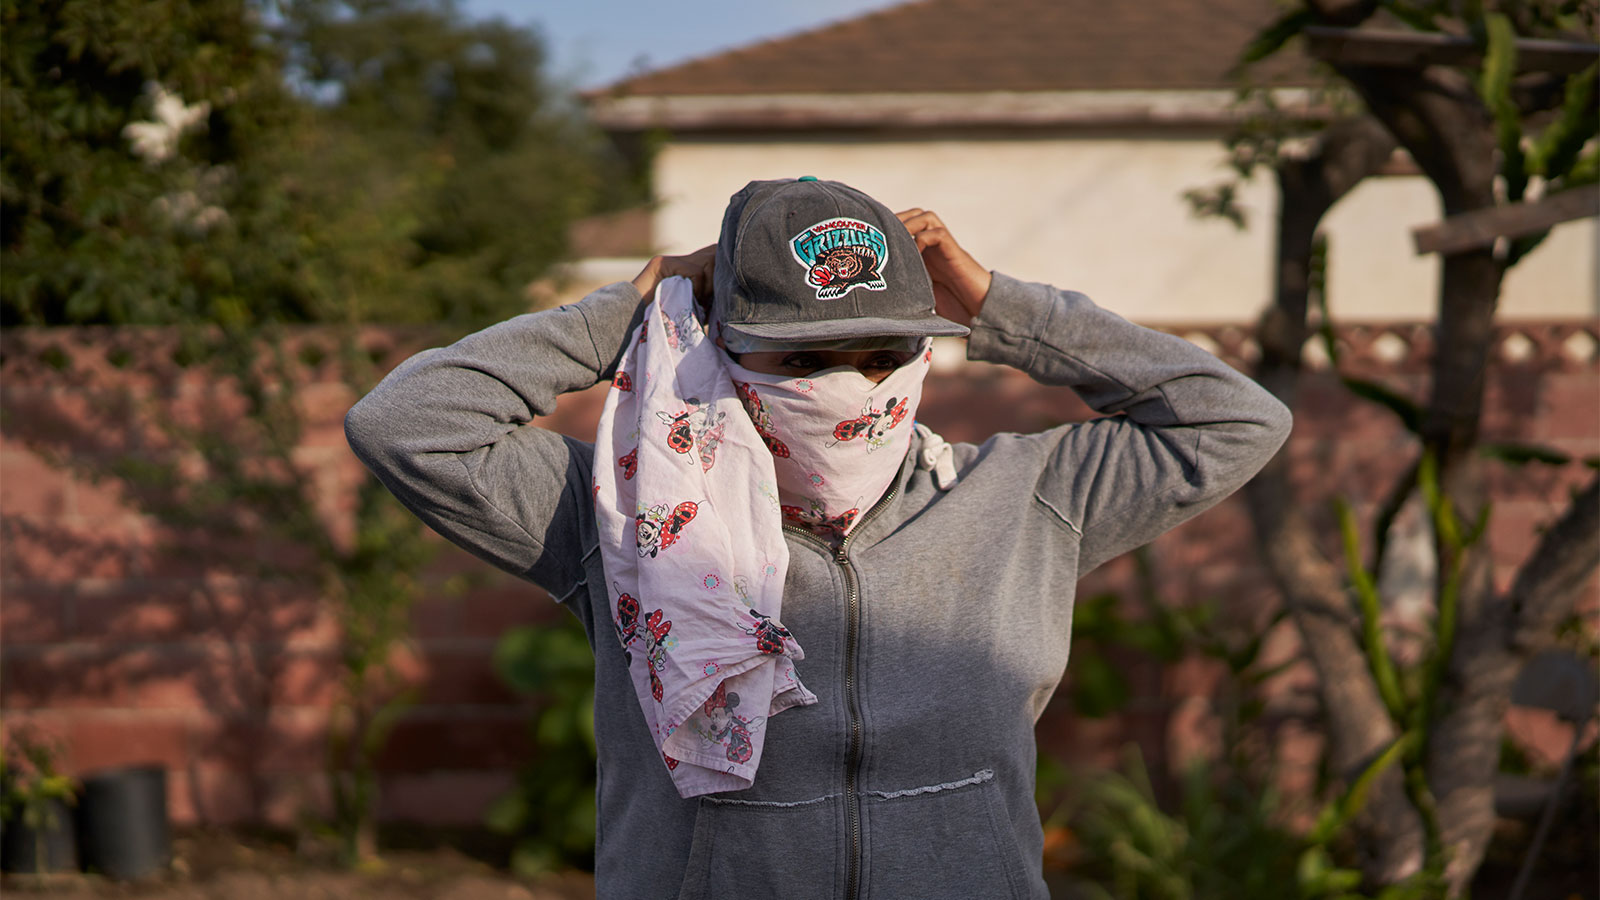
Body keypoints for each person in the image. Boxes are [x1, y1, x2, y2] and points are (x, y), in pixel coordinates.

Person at [345, 177, 1292, 899]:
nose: (851, 390)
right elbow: (409, 423)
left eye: (884, 357)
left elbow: (1234, 420)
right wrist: (633, 308)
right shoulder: (624, 512)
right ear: (720, 350)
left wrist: (1000, 306)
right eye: (803, 362)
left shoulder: (1027, 496)